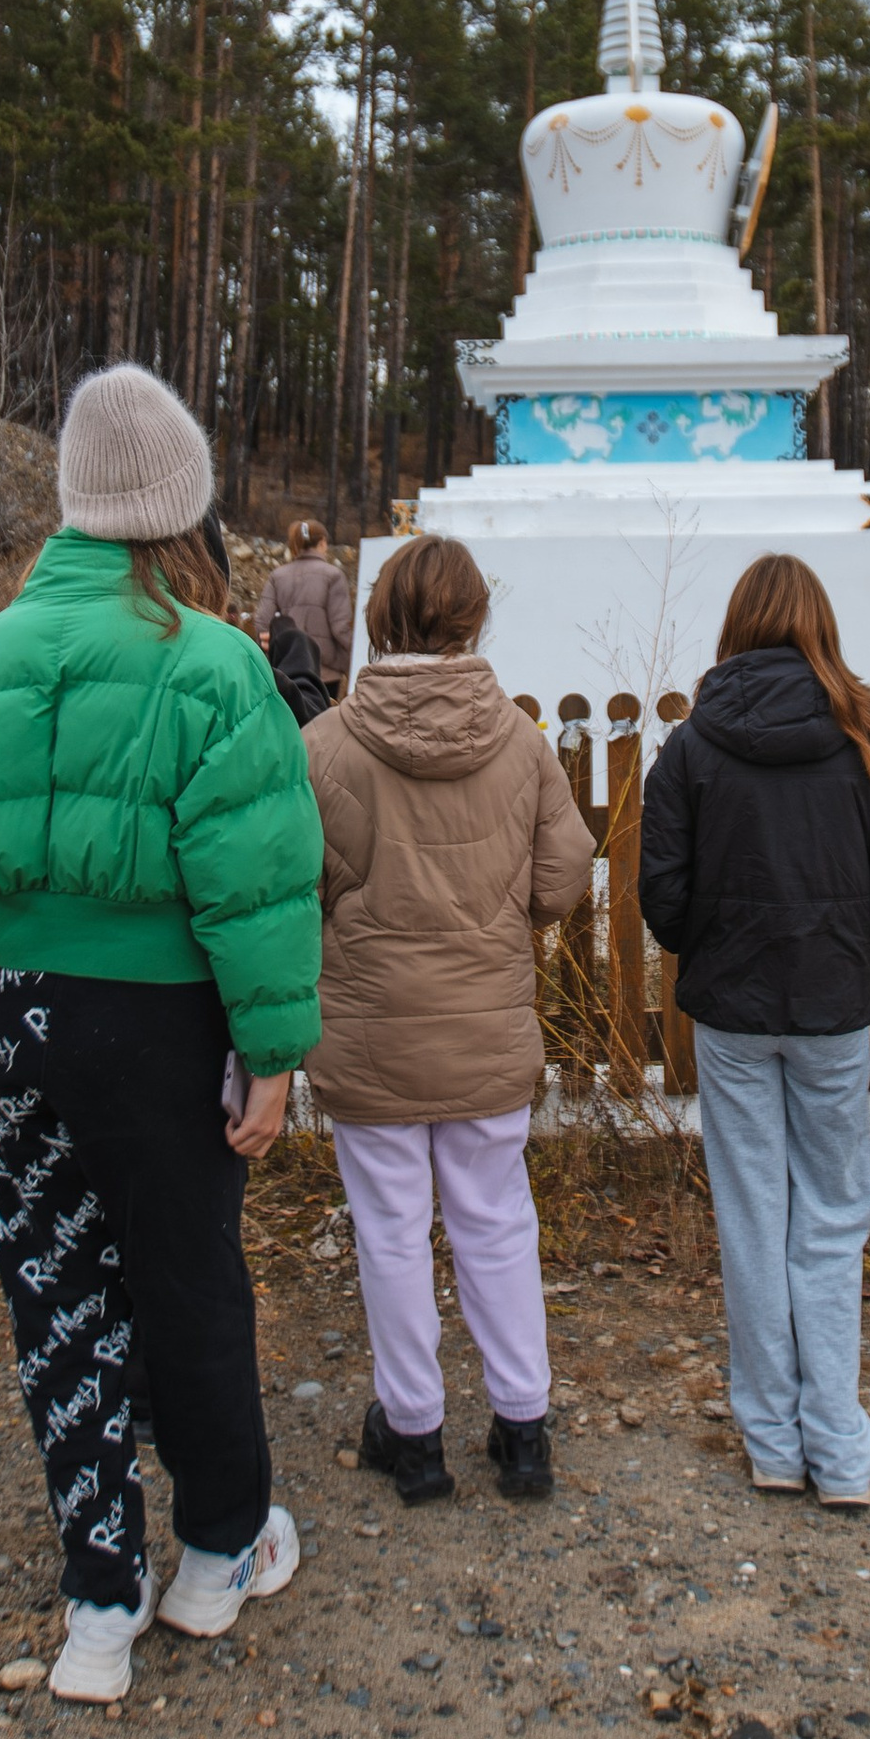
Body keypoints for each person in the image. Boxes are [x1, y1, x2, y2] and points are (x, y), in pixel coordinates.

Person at [0, 362, 325, 1705]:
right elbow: (252, 878)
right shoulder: (215, 667)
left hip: (25, 1023)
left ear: (73, 504)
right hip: (167, 1027)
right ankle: (216, 1552)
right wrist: (271, 1051)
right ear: (181, 506)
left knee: (55, 1294)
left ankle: (95, 1599)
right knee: (188, 1283)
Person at [302, 533, 593, 1506]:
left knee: (388, 1230)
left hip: (372, 1032)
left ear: (378, 617)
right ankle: (522, 1431)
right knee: (496, 1221)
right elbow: (560, 881)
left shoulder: (327, 745)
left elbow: (296, 887)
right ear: (473, 620)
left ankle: (414, 1433)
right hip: (483, 1027)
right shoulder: (519, 742)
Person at [638, 553, 870, 1508]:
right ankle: (839, 1446)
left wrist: (714, 951)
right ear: (819, 627)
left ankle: (772, 1441)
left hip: (731, 1010)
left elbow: (663, 897)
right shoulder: (868, 745)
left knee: (753, 1213)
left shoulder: (690, 747)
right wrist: (847, 942)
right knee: (834, 1216)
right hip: (831, 1007)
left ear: (737, 627)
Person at [256, 518, 356, 695]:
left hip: (286, 669)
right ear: (322, 542)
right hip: (325, 672)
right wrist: (354, 659)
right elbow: (340, 628)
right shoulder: (334, 576)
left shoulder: (277, 576)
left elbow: (263, 624)